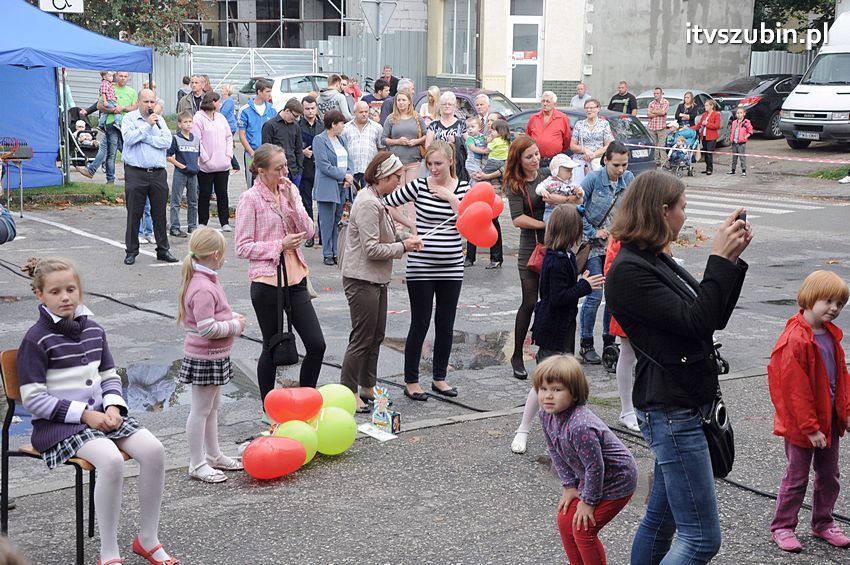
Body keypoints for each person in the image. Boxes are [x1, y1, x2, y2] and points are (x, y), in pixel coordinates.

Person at [605, 171, 751, 564]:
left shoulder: (652, 259)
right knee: (701, 539)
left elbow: (711, 316)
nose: (686, 216)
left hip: (681, 403)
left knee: (660, 522)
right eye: (682, 208)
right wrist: (718, 259)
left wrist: (730, 261)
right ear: (661, 210)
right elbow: (696, 322)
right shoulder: (629, 270)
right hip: (673, 411)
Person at [18, 257, 179, 565]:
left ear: (80, 290)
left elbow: (109, 375)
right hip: (59, 427)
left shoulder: (93, 328)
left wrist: (114, 406)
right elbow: (34, 400)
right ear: (39, 295)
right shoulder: (36, 339)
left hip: (102, 418)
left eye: (70, 289)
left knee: (154, 450)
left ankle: (147, 539)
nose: (65, 297)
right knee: (110, 460)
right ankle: (109, 552)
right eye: (55, 292)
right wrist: (85, 414)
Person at [235, 144, 325, 418]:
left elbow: (308, 231)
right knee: (272, 346)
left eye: (286, 165)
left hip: (296, 277)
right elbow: (242, 247)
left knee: (316, 344)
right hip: (267, 283)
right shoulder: (250, 199)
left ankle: (305, 401)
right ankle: (268, 408)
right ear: (261, 171)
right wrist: (278, 244)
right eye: (278, 168)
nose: (285, 172)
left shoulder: (290, 191)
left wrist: (294, 203)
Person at [768, 270, 850, 553]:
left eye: (840, 303)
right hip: (803, 425)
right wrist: (810, 427)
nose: (834, 308)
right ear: (810, 298)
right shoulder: (796, 339)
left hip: (829, 420)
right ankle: (783, 526)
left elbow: (841, 377)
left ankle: (823, 522)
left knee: (829, 475)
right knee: (797, 476)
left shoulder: (829, 335)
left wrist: (845, 412)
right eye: (828, 301)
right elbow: (794, 390)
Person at [510, 206, 602, 455]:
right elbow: (558, 297)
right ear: (571, 232)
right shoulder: (556, 259)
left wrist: (579, 280)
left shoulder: (566, 256)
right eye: (578, 232)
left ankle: (563, 430)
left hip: (563, 326)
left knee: (564, 378)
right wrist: (584, 285)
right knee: (544, 382)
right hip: (552, 326)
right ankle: (524, 429)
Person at [383, 141, 469, 400]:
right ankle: (411, 381)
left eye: (438, 164)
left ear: (451, 161)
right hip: (421, 265)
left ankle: (439, 378)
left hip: (452, 265)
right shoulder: (419, 185)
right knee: (419, 323)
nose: (432, 169)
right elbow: (386, 202)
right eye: (429, 164)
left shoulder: (464, 188)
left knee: (445, 324)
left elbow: (469, 222)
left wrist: (452, 198)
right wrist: (410, 223)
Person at [340, 153, 424, 412]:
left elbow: (383, 234)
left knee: (375, 336)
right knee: (362, 338)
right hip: (361, 279)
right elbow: (372, 249)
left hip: (376, 279)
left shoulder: (376, 198)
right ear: (382, 177)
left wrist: (404, 237)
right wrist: (403, 246)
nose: (399, 182)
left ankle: (367, 385)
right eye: (396, 178)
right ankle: (348, 391)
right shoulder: (368, 203)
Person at [535, 355, 638, 564]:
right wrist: (569, 486)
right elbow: (554, 451)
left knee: (584, 529)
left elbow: (595, 467)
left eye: (556, 389)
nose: (548, 396)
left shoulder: (579, 425)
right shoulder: (546, 415)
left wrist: (588, 502)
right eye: (543, 389)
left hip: (618, 479)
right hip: (590, 478)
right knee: (565, 522)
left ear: (574, 394)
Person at [176, 228, 246, 483]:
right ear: (216, 255)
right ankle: (197, 462)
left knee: (211, 408)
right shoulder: (203, 287)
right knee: (201, 410)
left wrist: (230, 317)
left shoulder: (205, 280)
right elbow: (206, 328)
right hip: (205, 356)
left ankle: (214, 454)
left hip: (215, 356)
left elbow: (213, 316)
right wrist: (235, 326)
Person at [505, 135, 575, 379]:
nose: (536, 160)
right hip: (531, 248)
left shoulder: (548, 174)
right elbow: (517, 219)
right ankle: (516, 354)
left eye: (536, 154)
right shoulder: (514, 184)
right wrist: (548, 224)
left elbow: (571, 192)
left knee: (555, 301)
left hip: (555, 247)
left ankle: (552, 353)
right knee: (530, 302)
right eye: (529, 156)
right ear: (518, 160)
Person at [577, 142, 634, 364]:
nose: (620, 170)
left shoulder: (628, 179)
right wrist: (593, 231)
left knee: (613, 294)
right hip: (592, 244)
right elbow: (576, 209)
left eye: (624, 164)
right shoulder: (593, 179)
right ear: (606, 161)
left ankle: (609, 341)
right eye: (616, 165)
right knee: (595, 293)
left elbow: (634, 208)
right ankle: (586, 343)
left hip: (616, 245)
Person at [121, 89, 177, 266]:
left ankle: (163, 249)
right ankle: (131, 251)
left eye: (152, 102)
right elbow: (129, 139)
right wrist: (147, 127)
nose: (150, 105)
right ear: (138, 102)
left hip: (158, 173)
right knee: (134, 213)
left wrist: (145, 138)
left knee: (159, 213)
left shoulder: (160, 121)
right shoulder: (129, 119)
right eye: (146, 102)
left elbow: (167, 142)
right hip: (136, 172)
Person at [603, 238, 639, 431]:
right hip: (630, 303)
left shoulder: (653, 230)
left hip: (646, 301)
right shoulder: (621, 238)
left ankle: (639, 407)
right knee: (628, 354)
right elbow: (611, 273)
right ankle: (627, 410)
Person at [77, 72, 137, 184]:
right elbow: (99, 105)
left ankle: (92, 170)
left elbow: (134, 108)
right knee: (111, 153)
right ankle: (110, 180)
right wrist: (114, 110)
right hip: (111, 124)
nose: (123, 78)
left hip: (127, 126)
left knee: (124, 151)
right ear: (116, 77)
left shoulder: (132, 91)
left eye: (125, 76)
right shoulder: (110, 87)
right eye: (121, 76)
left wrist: (122, 108)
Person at [313, 110, 354, 265]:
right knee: (327, 221)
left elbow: (348, 160)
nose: (343, 126)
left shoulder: (341, 140)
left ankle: (336, 250)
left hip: (342, 186)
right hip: (328, 186)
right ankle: (327, 252)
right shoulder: (320, 140)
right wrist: (343, 175)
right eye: (341, 123)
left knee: (338, 220)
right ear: (333, 124)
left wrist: (348, 175)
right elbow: (324, 165)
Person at [193, 91, 233, 231]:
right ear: (212, 102)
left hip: (223, 163)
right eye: (218, 101)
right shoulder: (198, 119)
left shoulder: (221, 117)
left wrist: (229, 154)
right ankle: (203, 221)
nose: (220, 104)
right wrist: (205, 159)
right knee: (205, 193)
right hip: (206, 165)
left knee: (223, 192)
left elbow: (228, 136)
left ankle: (225, 221)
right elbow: (197, 140)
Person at [237, 79, 277, 188]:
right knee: (252, 184)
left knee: (269, 183)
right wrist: (251, 152)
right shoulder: (245, 110)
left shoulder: (272, 109)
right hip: (252, 152)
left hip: (268, 153)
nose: (270, 94)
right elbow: (242, 135)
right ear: (259, 92)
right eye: (267, 91)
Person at [166, 111, 200, 238]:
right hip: (180, 173)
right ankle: (175, 227)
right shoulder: (176, 138)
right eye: (185, 122)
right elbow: (168, 155)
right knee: (176, 200)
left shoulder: (196, 139)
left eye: (190, 122)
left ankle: (193, 226)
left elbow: (198, 155)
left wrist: (197, 166)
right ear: (179, 124)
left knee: (193, 201)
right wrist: (181, 165)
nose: (188, 124)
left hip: (193, 174)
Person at [382, 91, 426, 186]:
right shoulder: (391, 118)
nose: (401, 102)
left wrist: (416, 141)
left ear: (409, 102)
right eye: (398, 100)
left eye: (404, 100)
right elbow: (383, 139)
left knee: (411, 191)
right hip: (396, 162)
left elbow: (426, 135)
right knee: (398, 191)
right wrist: (397, 141)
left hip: (414, 161)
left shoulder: (417, 117)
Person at [570, 98, 614, 185]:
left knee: (596, 187)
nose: (589, 110)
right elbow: (572, 146)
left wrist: (594, 155)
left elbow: (609, 145)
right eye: (587, 108)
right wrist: (585, 150)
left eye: (592, 108)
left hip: (597, 162)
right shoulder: (579, 124)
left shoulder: (604, 124)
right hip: (580, 163)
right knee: (580, 187)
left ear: (598, 109)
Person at [262, 98, 304, 186]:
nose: (296, 119)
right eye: (295, 116)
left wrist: (299, 171)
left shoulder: (295, 126)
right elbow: (266, 151)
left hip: (294, 171)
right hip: (277, 171)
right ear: (287, 110)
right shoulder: (270, 125)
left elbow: (299, 149)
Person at [342, 101, 384, 187]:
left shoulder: (377, 127)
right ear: (354, 113)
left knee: (369, 196)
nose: (364, 114)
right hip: (351, 169)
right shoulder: (345, 128)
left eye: (366, 111)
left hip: (370, 168)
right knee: (351, 197)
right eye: (361, 112)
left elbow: (381, 148)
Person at [525, 91, 572, 167]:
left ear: (554, 104)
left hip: (555, 160)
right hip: (535, 160)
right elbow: (527, 138)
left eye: (548, 101)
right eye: (543, 101)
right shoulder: (534, 118)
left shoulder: (562, 118)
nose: (545, 104)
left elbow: (567, 139)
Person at [535, 154, 584, 224]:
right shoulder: (549, 181)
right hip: (552, 209)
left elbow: (580, 190)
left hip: (568, 209)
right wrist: (542, 190)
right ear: (556, 171)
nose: (571, 173)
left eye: (571, 171)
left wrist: (580, 192)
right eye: (568, 171)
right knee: (550, 222)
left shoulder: (571, 182)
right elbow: (539, 187)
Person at [299, 95, 322, 245]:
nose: (310, 111)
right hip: (305, 168)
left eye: (313, 108)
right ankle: (309, 234)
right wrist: (302, 152)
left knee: (321, 201)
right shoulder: (297, 125)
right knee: (306, 202)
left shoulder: (322, 125)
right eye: (307, 109)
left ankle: (321, 232)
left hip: (320, 169)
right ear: (302, 109)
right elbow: (292, 146)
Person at [691, 99, 721, 175]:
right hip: (704, 136)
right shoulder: (704, 114)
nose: (705, 107)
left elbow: (717, 126)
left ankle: (710, 169)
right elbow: (699, 125)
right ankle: (707, 168)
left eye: (707, 105)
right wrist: (690, 128)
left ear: (712, 106)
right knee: (705, 152)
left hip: (712, 137)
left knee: (709, 153)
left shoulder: (716, 114)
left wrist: (707, 124)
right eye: (705, 105)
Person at [218, 83, 241, 173]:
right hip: (226, 126)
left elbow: (223, 113)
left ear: (227, 91)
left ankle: (235, 165)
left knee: (227, 146)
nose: (221, 90)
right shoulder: (225, 100)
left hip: (230, 126)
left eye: (223, 88)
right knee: (226, 146)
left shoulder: (229, 101)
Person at [646, 87, 670, 168]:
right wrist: (658, 112)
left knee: (661, 146)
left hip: (661, 127)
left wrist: (654, 111)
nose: (655, 95)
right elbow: (649, 114)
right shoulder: (651, 103)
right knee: (654, 146)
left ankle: (664, 162)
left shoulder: (665, 102)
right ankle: (656, 162)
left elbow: (663, 112)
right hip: (652, 127)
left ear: (661, 94)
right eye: (654, 93)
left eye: (657, 93)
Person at [728, 106, 753, 176]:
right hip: (734, 142)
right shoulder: (734, 122)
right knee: (734, 157)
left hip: (741, 143)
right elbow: (732, 131)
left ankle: (743, 171)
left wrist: (745, 137)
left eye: (741, 113)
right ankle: (733, 170)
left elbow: (750, 131)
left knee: (742, 157)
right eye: (738, 113)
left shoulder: (747, 122)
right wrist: (731, 138)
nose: (739, 114)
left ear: (744, 114)